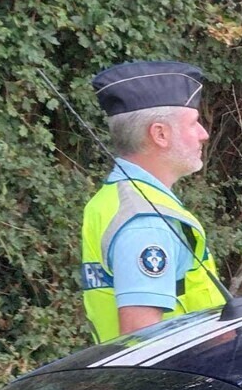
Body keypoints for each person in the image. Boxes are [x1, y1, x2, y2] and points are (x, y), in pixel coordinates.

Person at [79, 60, 226, 342]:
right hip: (176, 382)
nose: (204, 134)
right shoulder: (146, 222)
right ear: (160, 134)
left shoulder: (115, 198)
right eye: (194, 123)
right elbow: (142, 340)